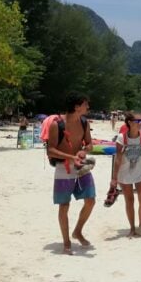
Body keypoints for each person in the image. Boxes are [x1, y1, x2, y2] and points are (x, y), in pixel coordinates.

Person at [47, 93, 95, 255]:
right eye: (85, 104)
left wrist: (83, 151)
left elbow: (89, 144)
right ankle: (66, 241)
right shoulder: (57, 125)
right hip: (63, 167)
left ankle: (78, 231)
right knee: (64, 205)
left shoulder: (84, 122)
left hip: (81, 166)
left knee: (90, 200)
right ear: (76, 107)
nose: (88, 107)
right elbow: (51, 150)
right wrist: (71, 157)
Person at [110, 111, 141, 237]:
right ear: (129, 122)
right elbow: (118, 159)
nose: (140, 123)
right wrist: (114, 178)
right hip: (125, 172)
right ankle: (132, 228)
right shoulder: (121, 138)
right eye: (138, 121)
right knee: (129, 200)